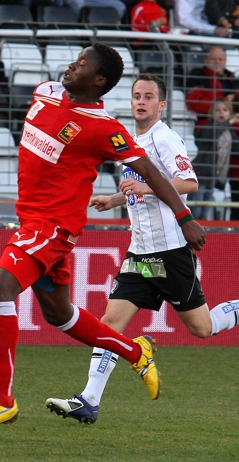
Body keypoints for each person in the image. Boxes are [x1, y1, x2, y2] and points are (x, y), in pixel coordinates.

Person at [0, 43, 207, 431]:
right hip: (31, 222)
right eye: (75, 59)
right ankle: (134, 351)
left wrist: (184, 216)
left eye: (82, 64)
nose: (71, 66)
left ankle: (0, 400)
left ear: (99, 80)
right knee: (59, 314)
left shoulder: (104, 128)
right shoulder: (46, 92)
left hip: (54, 227)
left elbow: (152, 172)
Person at [45, 75, 239, 424]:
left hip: (169, 252)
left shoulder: (163, 138)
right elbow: (141, 184)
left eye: (149, 97)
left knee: (203, 327)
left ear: (162, 105)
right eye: (137, 96)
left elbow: (189, 182)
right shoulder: (131, 139)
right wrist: (117, 198)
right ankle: (88, 400)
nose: (141, 102)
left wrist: (144, 187)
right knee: (109, 323)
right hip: (140, 252)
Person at [189, 99, 239, 219]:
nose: (221, 113)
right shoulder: (208, 127)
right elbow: (212, 133)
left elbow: (236, 147)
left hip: (212, 177)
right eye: (217, 110)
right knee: (196, 210)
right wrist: (230, 121)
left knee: (205, 211)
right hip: (201, 175)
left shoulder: (228, 131)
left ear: (229, 112)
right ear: (212, 113)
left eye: (225, 110)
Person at [185, 46, 239, 126]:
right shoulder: (197, 77)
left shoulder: (231, 78)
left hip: (232, 122)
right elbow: (195, 104)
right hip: (209, 123)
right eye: (213, 59)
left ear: (225, 61)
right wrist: (227, 101)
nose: (217, 62)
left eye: (220, 59)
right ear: (206, 60)